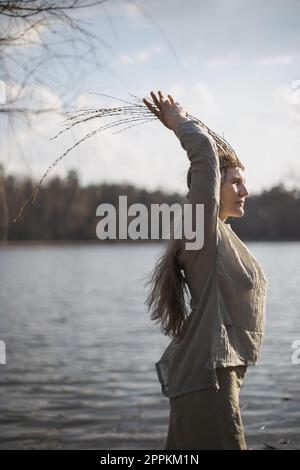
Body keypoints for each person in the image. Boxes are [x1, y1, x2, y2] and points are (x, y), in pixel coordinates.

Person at [143, 90, 268, 450]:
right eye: (235, 182)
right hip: (206, 384)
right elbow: (205, 158)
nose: (245, 189)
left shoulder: (220, 237)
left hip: (214, 379)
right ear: (213, 189)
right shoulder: (201, 234)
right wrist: (181, 122)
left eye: (244, 181)